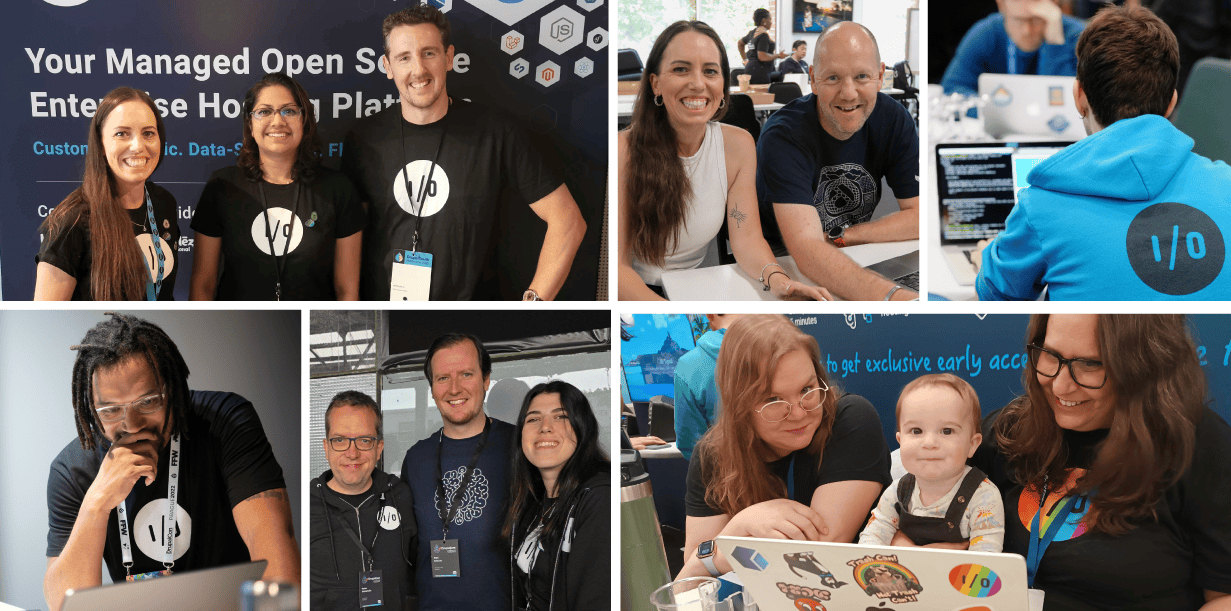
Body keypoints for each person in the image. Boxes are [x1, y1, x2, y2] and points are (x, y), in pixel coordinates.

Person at [971, 313, 1231, 610]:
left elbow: (1224, 596)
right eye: (1051, 356)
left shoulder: (1197, 443)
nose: (1060, 387)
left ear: (1144, 365)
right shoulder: (1010, 431)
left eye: (1090, 364)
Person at [972, 6, 1231, 300]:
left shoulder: (1041, 207)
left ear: (1079, 96)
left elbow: (997, 302)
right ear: (1172, 102)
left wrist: (986, 263)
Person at [43, 313, 299, 611]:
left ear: (174, 388)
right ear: (90, 407)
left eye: (148, 401)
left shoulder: (226, 422)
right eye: (111, 410)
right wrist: (96, 503)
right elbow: (62, 603)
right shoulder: (71, 469)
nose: (133, 424)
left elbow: (278, 567)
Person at [342, 4, 586, 301]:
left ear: (449, 58)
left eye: (429, 53)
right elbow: (349, 237)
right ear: (388, 66)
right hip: (389, 314)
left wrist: (533, 303)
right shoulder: (363, 139)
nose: (418, 69)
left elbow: (568, 222)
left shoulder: (496, 133)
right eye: (404, 57)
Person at [616, 21, 830, 302]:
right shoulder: (623, 150)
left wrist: (778, 280)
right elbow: (616, 269)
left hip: (693, 286)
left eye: (710, 71)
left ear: (723, 84)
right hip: (632, 293)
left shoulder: (738, 145)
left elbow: (747, 238)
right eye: (681, 69)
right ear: (655, 83)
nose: (697, 83)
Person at [679, 314, 891, 579]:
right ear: (738, 404)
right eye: (773, 399)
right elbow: (696, 571)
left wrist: (729, 548)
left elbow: (813, 560)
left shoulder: (850, 419)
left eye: (806, 389)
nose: (799, 414)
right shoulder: (712, 453)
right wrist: (743, 524)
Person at [756, 22, 920, 301]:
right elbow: (807, 248)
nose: (849, 93)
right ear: (813, 79)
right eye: (832, 78)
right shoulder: (782, 135)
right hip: (782, 262)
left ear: (880, 76)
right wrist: (892, 297)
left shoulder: (894, 120)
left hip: (852, 249)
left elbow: (920, 217)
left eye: (862, 77)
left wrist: (844, 236)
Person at [190, 73, 365, 301]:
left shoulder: (338, 189)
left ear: (304, 121)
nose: (277, 121)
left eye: (289, 110)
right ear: (250, 125)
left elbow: (347, 292)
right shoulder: (221, 187)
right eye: (264, 111)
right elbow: (203, 286)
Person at [399, 333, 515, 610]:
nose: (454, 389)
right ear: (432, 388)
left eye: (465, 374)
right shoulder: (415, 458)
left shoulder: (518, 447)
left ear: (486, 380)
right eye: (442, 378)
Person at [35, 87, 180, 301]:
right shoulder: (71, 222)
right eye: (122, 134)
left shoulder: (164, 202)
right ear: (101, 144)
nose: (138, 146)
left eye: (148, 133)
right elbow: (44, 320)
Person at [858, 374, 1004, 552]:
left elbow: (987, 562)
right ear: (900, 440)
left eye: (947, 431)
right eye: (916, 430)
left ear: (972, 445)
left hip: (958, 578)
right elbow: (872, 537)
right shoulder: (897, 492)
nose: (929, 443)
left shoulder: (984, 497)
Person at [504, 381, 610, 611]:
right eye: (533, 419)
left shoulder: (600, 499)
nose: (545, 427)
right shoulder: (533, 504)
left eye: (560, 417)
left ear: (582, 427)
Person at [310, 391, 416, 610]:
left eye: (364, 440)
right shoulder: (305, 504)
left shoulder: (401, 496)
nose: (352, 453)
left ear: (379, 448)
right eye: (339, 440)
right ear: (326, 447)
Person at [941, 0, 1086, 96]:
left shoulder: (1080, 36)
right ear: (1001, 6)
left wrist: (1055, 43)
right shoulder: (986, 33)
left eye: (1036, 19)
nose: (1027, 30)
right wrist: (997, 111)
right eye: (1018, 20)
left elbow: (1071, 102)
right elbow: (951, 88)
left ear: (1054, 4)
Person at [674, 313, 747, 460]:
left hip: (726, 472)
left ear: (709, 314)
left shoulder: (689, 365)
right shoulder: (787, 347)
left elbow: (691, 444)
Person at [738, 9, 788, 85]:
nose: (771, 22)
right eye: (770, 19)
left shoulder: (752, 33)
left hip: (750, 69)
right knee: (762, 96)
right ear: (764, 20)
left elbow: (740, 43)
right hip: (760, 72)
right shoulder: (763, 35)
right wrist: (778, 56)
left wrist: (745, 59)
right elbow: (762, 56)